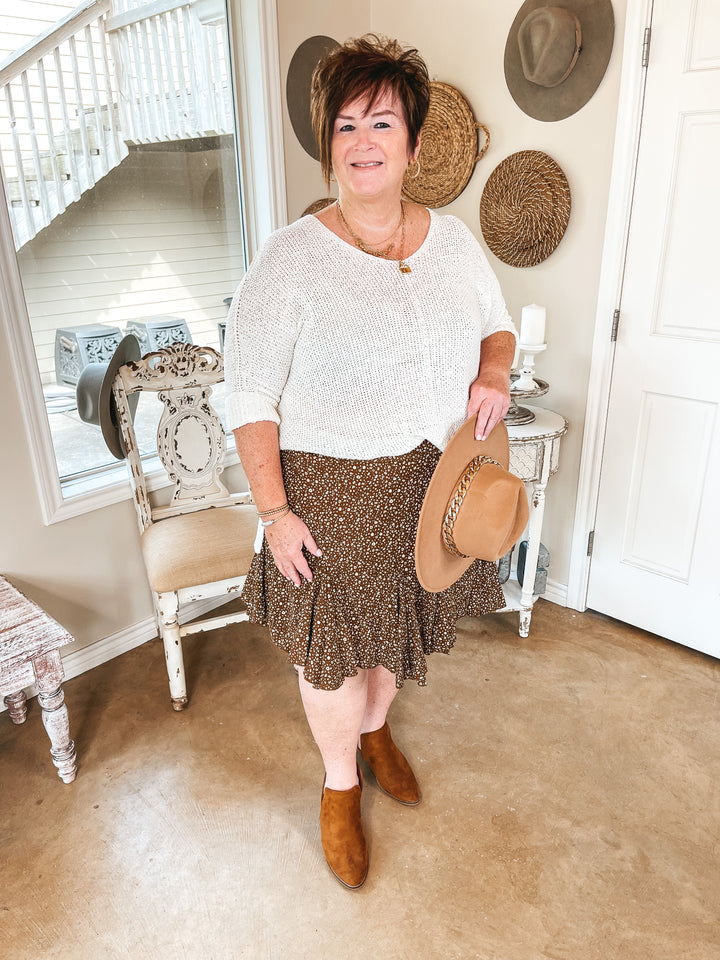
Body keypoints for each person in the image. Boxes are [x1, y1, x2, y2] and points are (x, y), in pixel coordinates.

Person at [224, 34, 517, 889]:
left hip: (426, 488)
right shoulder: (288, 260)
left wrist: (494, 368)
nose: (362, 141)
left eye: (381, 122)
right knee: (336, 658)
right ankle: (338, 784)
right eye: (346, 124)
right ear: (329, 146)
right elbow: (250, 401)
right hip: (328, 497)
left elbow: (496, 325)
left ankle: (377, 728)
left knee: (393, 641)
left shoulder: (455, 245)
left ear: (412, 145)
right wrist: (274, 513)